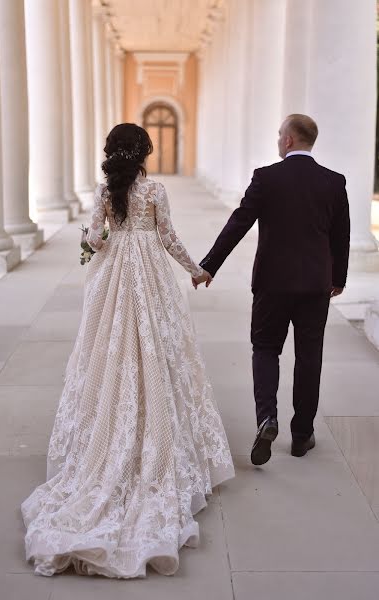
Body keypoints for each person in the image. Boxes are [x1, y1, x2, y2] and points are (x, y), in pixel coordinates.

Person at [21, 123, 234, 578]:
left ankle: (110, 428)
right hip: (150, 277)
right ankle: (153, 427)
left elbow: (93, 240)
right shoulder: (155, 189)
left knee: (108, 348)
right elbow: (168, 238)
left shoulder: (104, 192)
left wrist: (91, 238)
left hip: (114, 277)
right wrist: (197, 270)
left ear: (110, 153)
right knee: (156, 349)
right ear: (144, 153)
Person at [193, 114, 350, 466]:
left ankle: (267, 418)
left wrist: (209, 265)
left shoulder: (267, 177)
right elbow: (341, 237)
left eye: (281, 135)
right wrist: (337, 278)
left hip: (272, 283)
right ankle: (301, 435)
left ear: (290, 140)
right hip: (315, 285)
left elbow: (239, 222)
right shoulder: (334, 182)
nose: (279, 140)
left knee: (265, 349)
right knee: (310, 356)